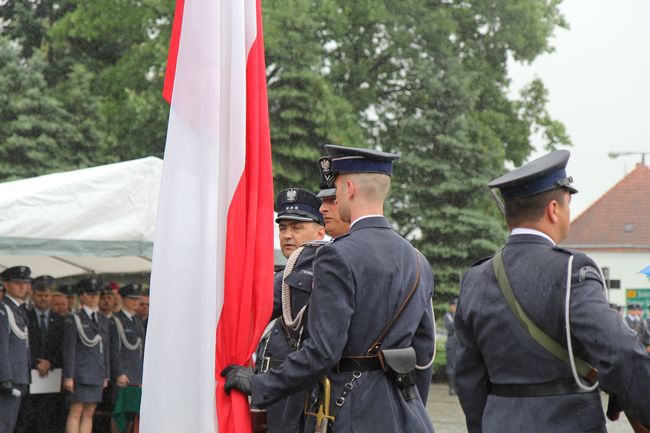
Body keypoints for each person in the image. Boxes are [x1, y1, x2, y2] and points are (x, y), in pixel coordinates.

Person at [224, 145, 435, 433]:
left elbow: (323, 352)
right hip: (406, 413)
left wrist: (260, 383)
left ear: (348, 188)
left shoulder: (337, 255)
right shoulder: (418, 260)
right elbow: (423, 356)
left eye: (335, 186)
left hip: (347, 414)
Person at [453, 150, 650, 433]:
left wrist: (485, 424)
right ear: (554, 209)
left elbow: (468, 376)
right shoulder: (573, 270)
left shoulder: (476, 277)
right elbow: (618, 351)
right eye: (568, 203)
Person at [255, 186, 326, 433]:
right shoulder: (282, 274)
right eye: (283, 227)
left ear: (320, 232)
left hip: (297, 391)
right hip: (271, 389)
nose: (287, 235)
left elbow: (258, 306)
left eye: (297, 228)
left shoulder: (319, 270)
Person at [15, 275, 65, 433]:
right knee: (28, 417)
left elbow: (62, 347)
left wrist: (50, 362)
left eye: (46, 295)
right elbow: (22, 345)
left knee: (49, 417)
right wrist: (36, 363)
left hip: (52, 375)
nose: (43, 299)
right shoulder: (24, 316)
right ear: (33, 296)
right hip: (30, 373)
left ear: (51, 296)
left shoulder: (59, 320)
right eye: (40, 295)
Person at [63, 278, 110, 433]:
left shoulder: (102, 319)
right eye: (89, 294)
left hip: (96, 372)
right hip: (80, 373)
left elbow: (105, 349)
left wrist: (106, 374)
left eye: (96, 294)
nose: (94, 297)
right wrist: (68, 376)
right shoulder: (74, 318)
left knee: (89, 413)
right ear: (81, 296)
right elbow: (69, 349)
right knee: (76, 412)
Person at [109, 283, 145, 433]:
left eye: (137, 299)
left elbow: (140, 350)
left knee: (131, 416)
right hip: (123, 376)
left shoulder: (137, 321)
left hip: (136, 375)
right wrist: (119, 372)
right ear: (123, 299)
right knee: (119, 413)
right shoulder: (115, 320)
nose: (135, 302)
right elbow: (114, 350)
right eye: (131, 299)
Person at [0, 266, 32, 433]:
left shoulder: (17, 309)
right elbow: (2, 345)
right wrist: (5, 378)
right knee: (4, 423)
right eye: (17, 283)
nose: (22, 287)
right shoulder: (3, 309)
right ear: (6, 284)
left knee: (12, 423)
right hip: (9, 377)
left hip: (19, 375)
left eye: (25, 283)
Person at [443, 298, 457, 395]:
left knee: (458, 365)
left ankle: (457, 387)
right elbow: (450, 327)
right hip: (451, 344)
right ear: (451, 306)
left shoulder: (459, 315)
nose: (456, 307)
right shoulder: (447, 316)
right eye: (454, 305)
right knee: (451, 366)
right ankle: (452, 388)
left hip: (459, 344)